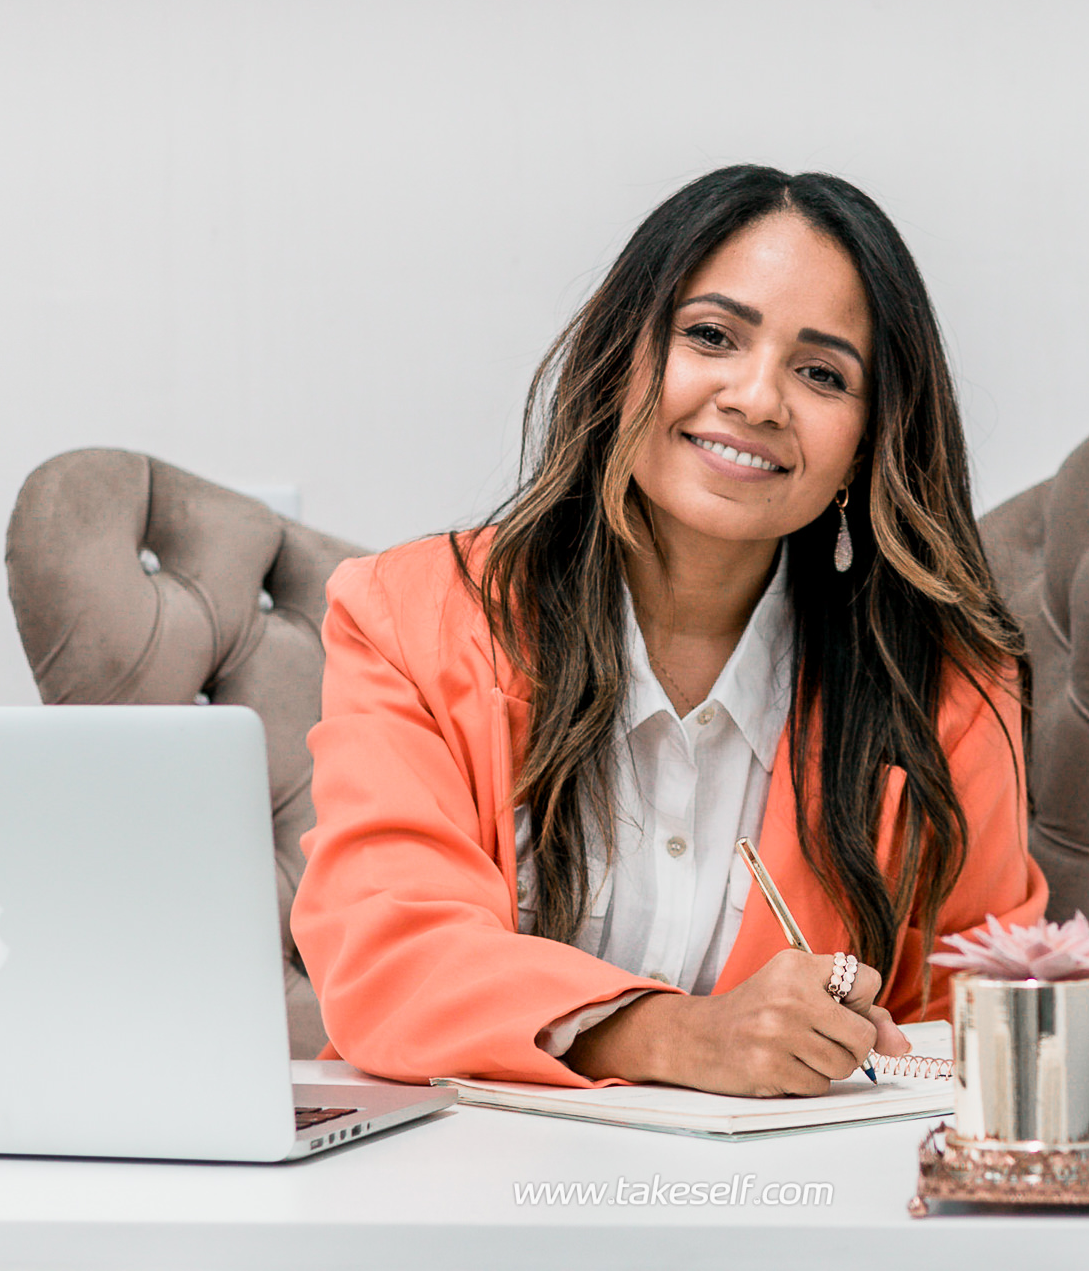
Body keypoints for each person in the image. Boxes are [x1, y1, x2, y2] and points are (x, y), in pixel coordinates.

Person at [292, 165, 1046, 1096]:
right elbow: (388, 959)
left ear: (866, 440)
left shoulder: (951, 690)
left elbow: (991, 1026)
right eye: (711, 336)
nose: (758, 399)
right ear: (622, 358)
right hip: (459, 1205)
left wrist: (886, 1049)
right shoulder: (407, 617)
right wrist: (679, 1037)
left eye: (821, 373)